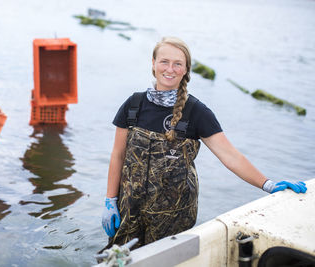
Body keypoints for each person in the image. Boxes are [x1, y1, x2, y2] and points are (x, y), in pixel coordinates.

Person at [101, 36, 307, 249]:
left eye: (177, 64)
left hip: (173, 217)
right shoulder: (133, 104)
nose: (170, 69)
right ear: (153, 64)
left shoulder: (197, 112)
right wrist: (110, 200)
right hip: (129, 209)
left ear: (186, 70)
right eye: (164, 61)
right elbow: (117, 155)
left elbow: (231, 156)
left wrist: (267, 184)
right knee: (118, 259)